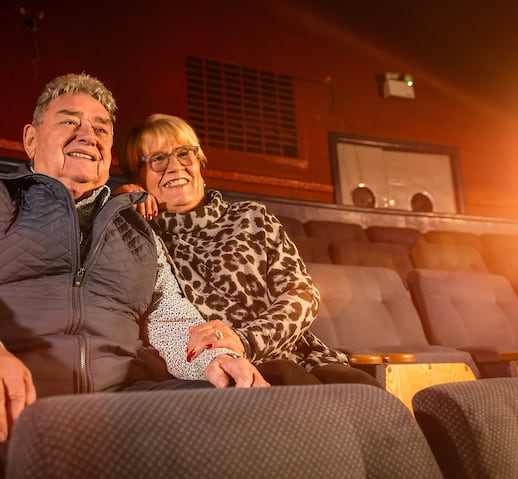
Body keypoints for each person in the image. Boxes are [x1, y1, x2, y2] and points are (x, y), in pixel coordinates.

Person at [0, 74, 268, 479]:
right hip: (15, 389)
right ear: (31, 139)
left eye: (100, 128)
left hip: (129, 398)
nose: (88, 134)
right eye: (69, 121)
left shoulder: (136, 225)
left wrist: (212, 358)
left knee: (246, 410)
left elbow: (168, 314)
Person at [117, 113, 381, 387]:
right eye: (158, 159)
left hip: (298, 353)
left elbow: (301, 295)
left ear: (199, 162)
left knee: (366, 391)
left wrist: (248, 338)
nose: (175, 166)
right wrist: (123, 202)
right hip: (226, 368)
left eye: (184, 153)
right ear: (138, 176)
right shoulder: (146, 238)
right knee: (297, 388)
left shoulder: (252, 217)